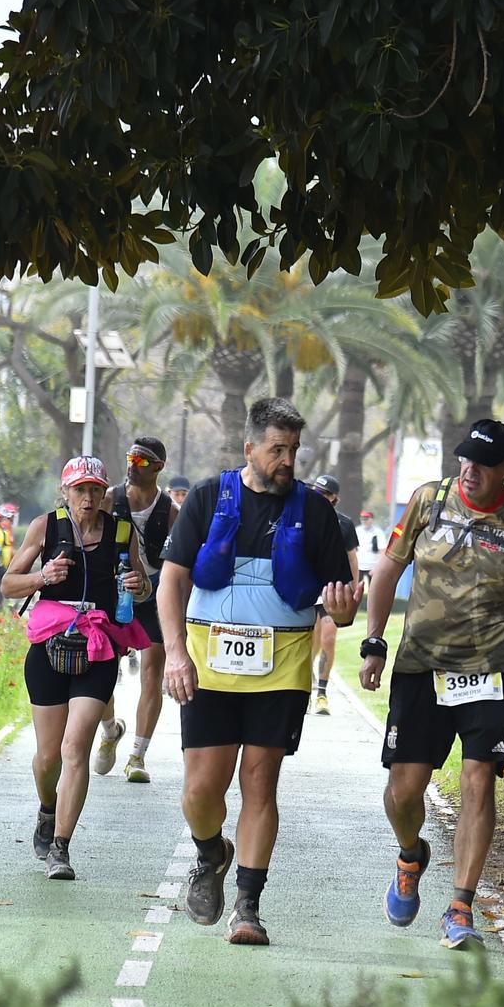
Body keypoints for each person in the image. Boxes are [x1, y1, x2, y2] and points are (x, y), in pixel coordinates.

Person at [158, 397, 361, 946]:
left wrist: (342, 611)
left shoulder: (315, 513)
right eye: (277, 449)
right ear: (250, 448)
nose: (286, 461)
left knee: (259, 782)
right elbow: (171, 582)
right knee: (202, 789)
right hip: (207, 668)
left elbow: (341, 603)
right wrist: (175, 654)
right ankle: (210, 853)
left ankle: (248, 906)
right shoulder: (205, 498)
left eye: (293, 450)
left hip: (283, 670)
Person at [359, 419, 504, 951]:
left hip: (490, 669)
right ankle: (410, 855)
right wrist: (374, 641)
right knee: (403, 793)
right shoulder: (428, 500)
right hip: (420, 667)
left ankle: (460, 906)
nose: (469, 471)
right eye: (464, 459)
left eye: (483, 464)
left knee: (478, 780)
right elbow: (388, 569)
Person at [3, 456, 153, 881]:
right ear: (65, 492)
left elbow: (142, 586)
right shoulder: (45, 527)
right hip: (49, 646)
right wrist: (42, 576)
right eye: (79, 489)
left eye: (95, 490)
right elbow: (8, 583)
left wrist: (138, 585)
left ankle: (61, 848)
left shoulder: (123, 531)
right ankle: (47, 810)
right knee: (48, 756)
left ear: (104, 493)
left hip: (97, 647)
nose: (87, 497)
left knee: (75, 748)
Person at [97, 438, 178, 782]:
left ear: (159, 467)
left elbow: (178, 564)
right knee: (100, 671)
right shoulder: (108, 499)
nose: (133, 465)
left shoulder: (172, 511)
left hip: (156, 591)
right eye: (130, 458)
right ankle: (110, 729)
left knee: (151, 674)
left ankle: (137, 756)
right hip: (113, 590)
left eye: (143, 461)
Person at [308, 473, 362, 716]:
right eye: (316, 491)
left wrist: (353, 590)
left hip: (332, 590)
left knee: (328, 638)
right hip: (306, 589)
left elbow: (352, 557)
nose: (318, 496)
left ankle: (321, 693)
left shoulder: (344, 524)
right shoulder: (300, 515)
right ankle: (303, 689)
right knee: (310, 642)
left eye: (324, 493)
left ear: (334, 499)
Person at [355, 508, 384, 585]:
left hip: (373, 566)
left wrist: (377, 567)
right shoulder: (357, 531)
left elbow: (382, 551)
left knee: (373, 590)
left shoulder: (378, 532)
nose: (364, 521)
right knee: (355, 589)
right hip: (359, 566)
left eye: (366, 519)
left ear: (372, 520)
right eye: (362, 519)